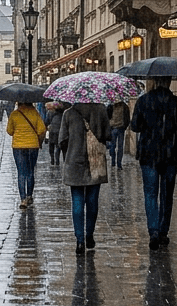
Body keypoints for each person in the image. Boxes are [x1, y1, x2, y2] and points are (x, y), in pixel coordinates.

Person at [131, 77, 177, 249]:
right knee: (166, 194)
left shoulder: (143, 101)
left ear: (155, 82)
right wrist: (175, 142)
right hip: (170, 154)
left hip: (149, 153)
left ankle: (153, 230)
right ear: (169, 82)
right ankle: (163, 231)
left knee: (150, 193)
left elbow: (135, 126)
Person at [59, 102, 110, 255]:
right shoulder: (101, 110)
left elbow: (62, 139)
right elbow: (108, 135)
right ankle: (89, 235)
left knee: (77, 201)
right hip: (96, 161)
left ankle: (79, 240)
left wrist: (69, 154)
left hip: (75, 162)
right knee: (92, 201)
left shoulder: (68, 113)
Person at [5, 100, 46, 209]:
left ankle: (23, 199)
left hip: (18, 147)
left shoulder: (14, 114)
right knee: (30, 172)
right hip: (33, 146)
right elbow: (42, 130)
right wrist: (39, 142)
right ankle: (29, 196)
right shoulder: (35, 113)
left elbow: (9, 131)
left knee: (21, 173)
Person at [107, 100, 130, 170]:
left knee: (119, 147)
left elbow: (127, 118)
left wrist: (124, 126)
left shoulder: (124, 106)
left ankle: (118, 164)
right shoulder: (111, 106)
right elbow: (107, 115)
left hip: (120, 129)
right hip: (113, 128)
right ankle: (114, 162)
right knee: (113, 146)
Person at [45, 101, 66, 166]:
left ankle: (52, 159)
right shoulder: (63, 112)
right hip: (60, 130)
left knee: (51, 145)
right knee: (58, 146)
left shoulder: (50, 112)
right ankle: (57, 160)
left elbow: (46, 121)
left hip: (52, 130)